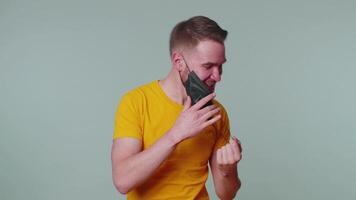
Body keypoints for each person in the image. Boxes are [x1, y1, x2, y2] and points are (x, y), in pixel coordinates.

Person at [111, 16, 242, 200]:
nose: (217, 76)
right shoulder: (136, 102)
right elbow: (122, 180)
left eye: (220, 66)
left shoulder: (214, 112)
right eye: (208, 66)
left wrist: (228, 169)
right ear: (179, 62)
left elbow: (225, 194)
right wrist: (176, 134)